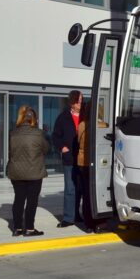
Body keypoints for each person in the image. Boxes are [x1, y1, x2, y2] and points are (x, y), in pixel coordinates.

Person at [7, 106, 49, 237]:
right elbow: (46, 149)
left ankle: (17, 228)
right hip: (34, 172)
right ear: (34, 119)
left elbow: (10, 151)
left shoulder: (13, 133)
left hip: (16, 172)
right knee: (32, 200)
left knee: (18, 199)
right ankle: (29, 228)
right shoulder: (39, 133)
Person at [52, 90, 82, 227]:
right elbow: (55, 136)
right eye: (78, 100)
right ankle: (68, 218)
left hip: (83, 159)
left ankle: (77, 214)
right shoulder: (63, 117)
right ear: (72, 102)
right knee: (70, 189)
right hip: (69, 159)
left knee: (81, 188)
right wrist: (62, 147)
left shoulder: (86, 117)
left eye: (81, 99)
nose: (81, 102)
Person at [77, 101, 96, 233]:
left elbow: (79, 142)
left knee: (86, 192)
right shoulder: (102, 125)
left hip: (83, 162)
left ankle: (88, 223)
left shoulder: (82, 125)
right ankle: (99, 221)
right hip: (97, 164)